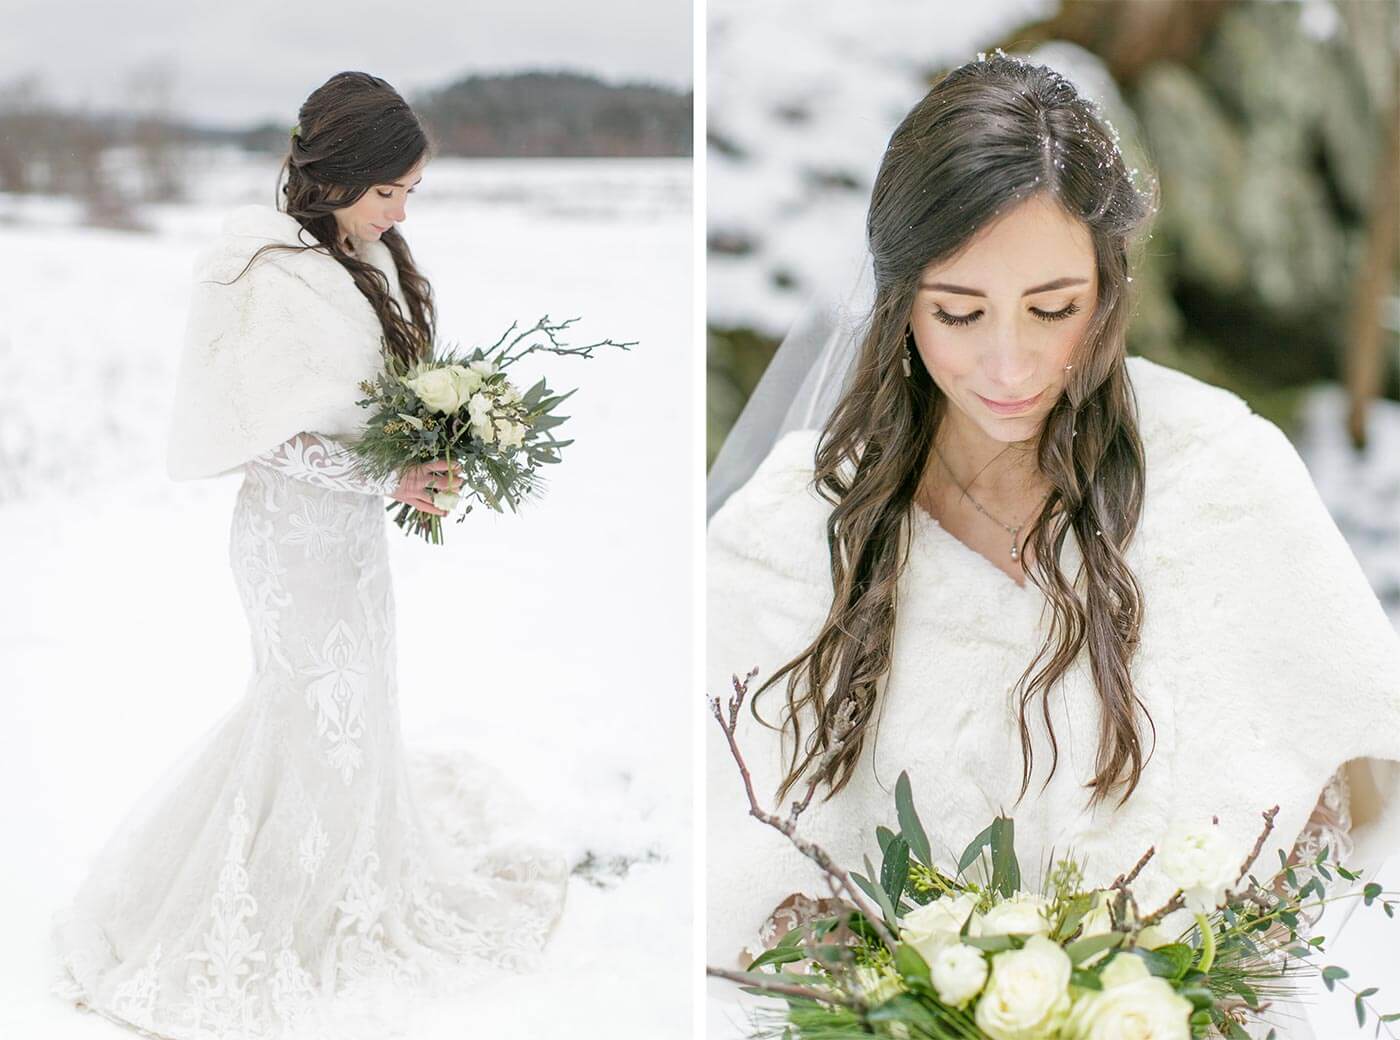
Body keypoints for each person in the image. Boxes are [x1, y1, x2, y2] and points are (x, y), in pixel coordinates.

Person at [706, 53, 1400, 1040]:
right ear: (898, 297)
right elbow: (742, 866)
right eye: (957, 312)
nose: (1007, 363)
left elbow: (1341, 784)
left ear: (1109, 281)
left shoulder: (1219, 472)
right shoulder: (791, 530)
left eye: (1049, 307)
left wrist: (1192, 985)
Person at [51, 71, 568, 1039]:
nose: (401, 212)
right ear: (334, 176)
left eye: (411, 192)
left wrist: (435, 442)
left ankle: (344, 880)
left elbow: (356, 405)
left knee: (355, 708)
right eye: (389, 192)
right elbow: (273, 437)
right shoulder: (262, 271)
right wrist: (391, 479)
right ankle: (263, 911)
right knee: (306, 715)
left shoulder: (352, 258)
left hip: (350, 541)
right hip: (291, 542)